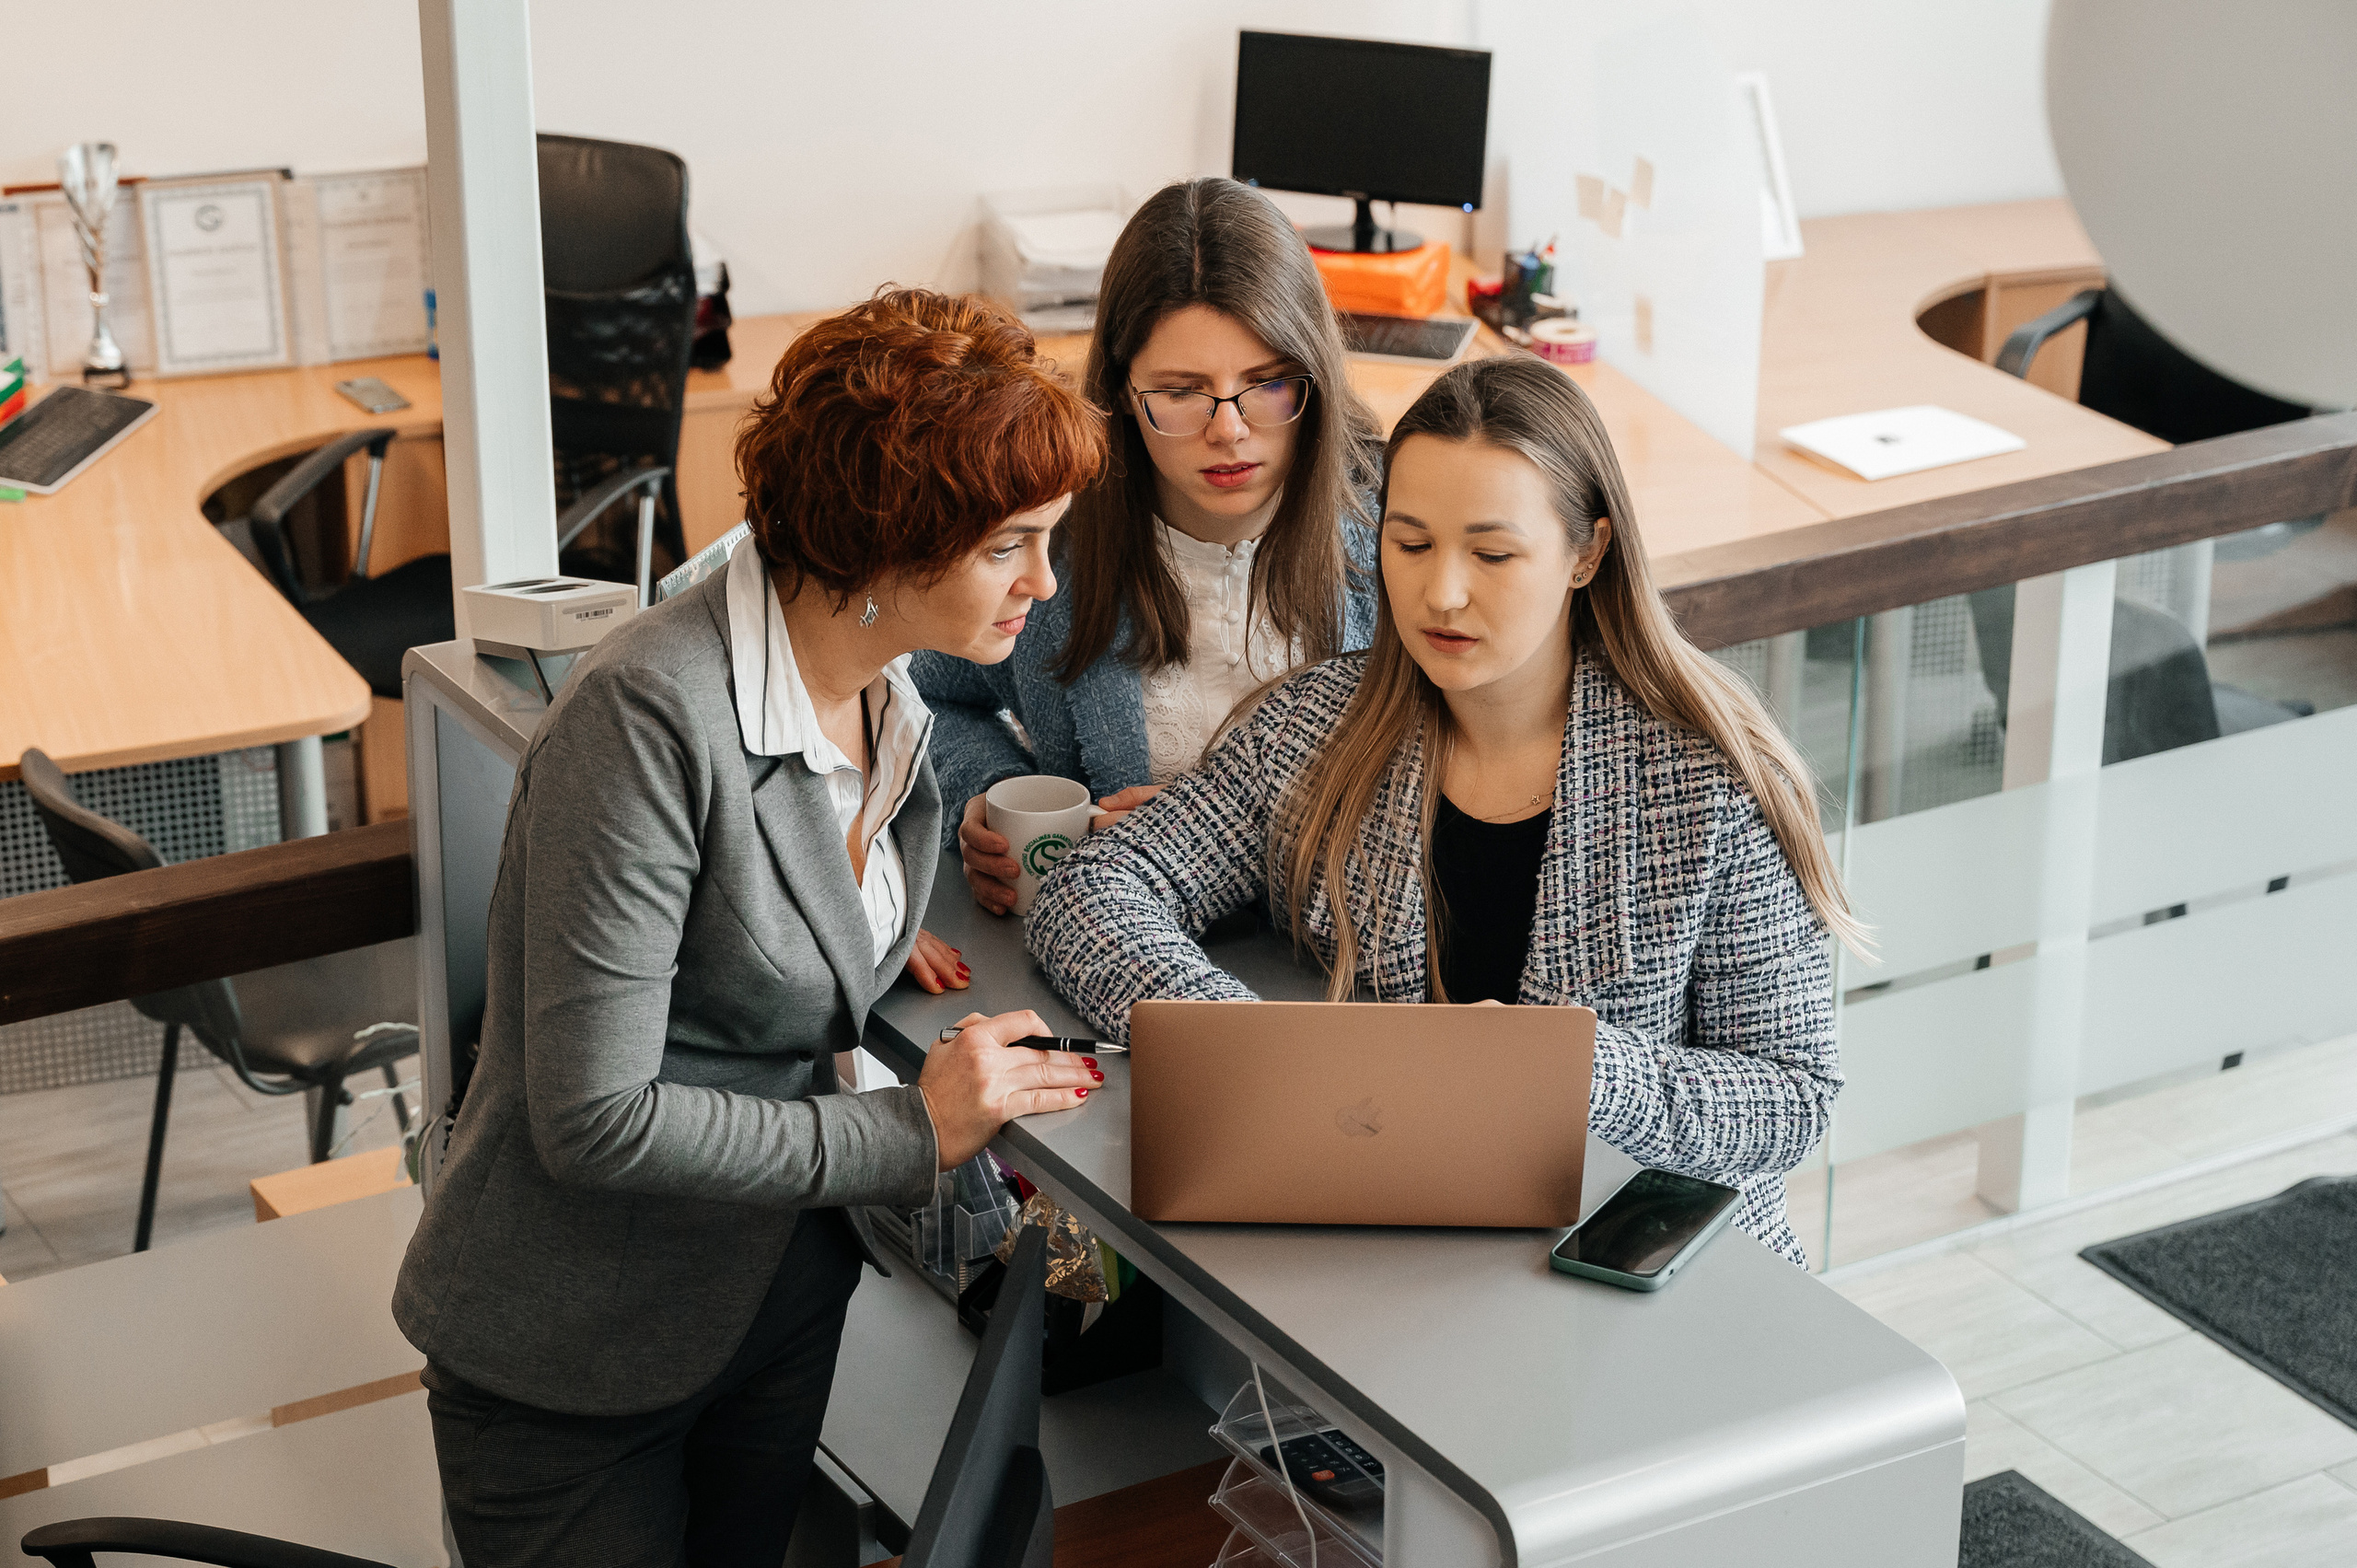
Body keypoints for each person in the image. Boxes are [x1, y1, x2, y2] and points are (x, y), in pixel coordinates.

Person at [392, 289, 1107, 1566]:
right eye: (1012, 544)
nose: (1042, 582)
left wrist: (861, 936)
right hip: (576, 1349)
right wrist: (914, 1127)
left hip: (774, 1293)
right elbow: (594, 1116)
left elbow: (787, 906)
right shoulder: (646, 716)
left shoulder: (881, 686)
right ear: (889, 533)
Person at [1028, 354, 1866, 1265]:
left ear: (1587, 553)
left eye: (1492, 553)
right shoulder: (1312, 729)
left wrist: (1569, 1070)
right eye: (1412, 543)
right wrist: (1243, 1040)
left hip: (1635, 1278)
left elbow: (1792, 1095)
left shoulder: (1709, 783)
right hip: (1393, 1258)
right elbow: (1091, 892)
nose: (1443, 593)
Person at [914, 177, 1383, 916]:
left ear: (1315, 376)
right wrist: (987, 792)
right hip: (1102, 938)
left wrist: (1219, 842)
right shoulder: (1051, 549)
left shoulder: (1397, 534)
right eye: (1181, 391)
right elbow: (919, 687)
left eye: (1267, 384)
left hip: (1339, 948)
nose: (1228, 430)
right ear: (1122, 394)